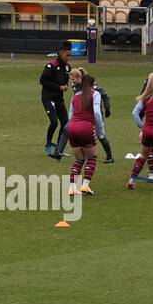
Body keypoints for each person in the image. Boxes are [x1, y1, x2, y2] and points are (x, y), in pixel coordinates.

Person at [65, 68, 104, 197]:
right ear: (92, 84)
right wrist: (100, 129)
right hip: (86, 127)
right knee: (92, 158)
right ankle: (85, 185)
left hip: (72, 127)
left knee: (79, 159)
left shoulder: (75, 96)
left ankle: (72, 187)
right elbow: (97, 113)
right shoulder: (95, 94)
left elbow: (70, 115)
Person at [40, 41, 72, 159]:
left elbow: (65, 82)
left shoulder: (68, 67)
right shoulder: (51, 65)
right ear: (61, 53)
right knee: (54, 122)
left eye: (70, 55)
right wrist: (59, 87)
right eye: (67, 55)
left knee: (66, 124)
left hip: (59, 99)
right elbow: (43, 81)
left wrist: (66, 86)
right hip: (48, 98)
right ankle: (48, 144)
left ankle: (59, 149)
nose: (68, 58)